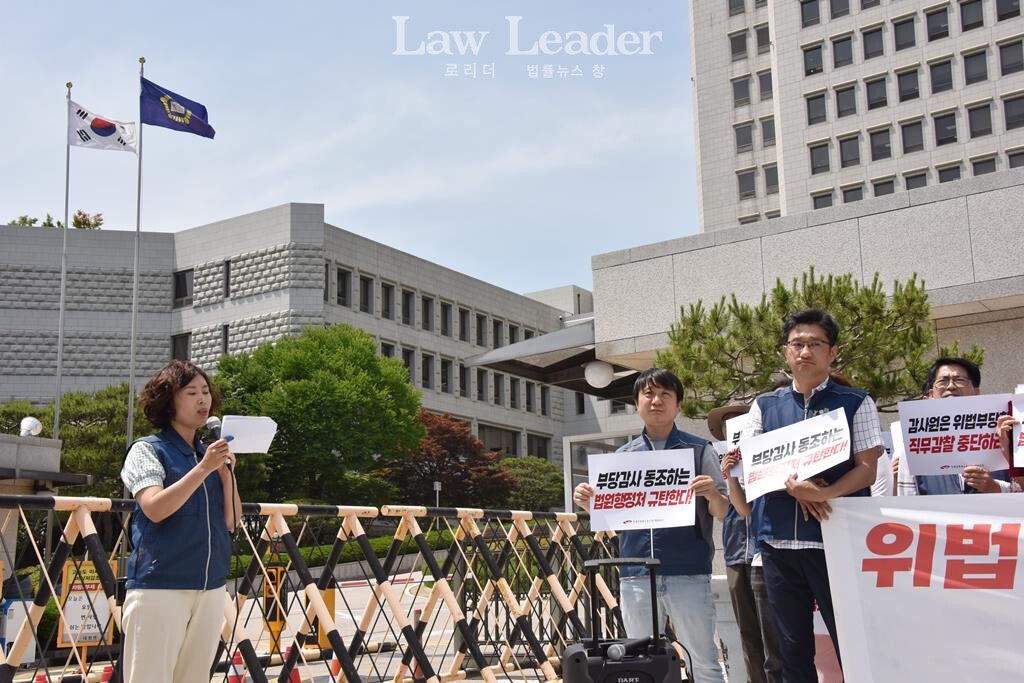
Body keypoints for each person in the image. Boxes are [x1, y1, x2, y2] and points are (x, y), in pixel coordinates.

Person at [729, 309, 882, 683]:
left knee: (852, 639)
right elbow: (751, 465)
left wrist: (825, 492)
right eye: (797, 344)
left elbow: (867, 468)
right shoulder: (765, 405)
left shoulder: (856, 401)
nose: (805, 352)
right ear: (785, 352)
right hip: (778, 543)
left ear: (833, 352)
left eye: (815, 344)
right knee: (792, 649)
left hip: (834, 540)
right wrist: (788, 485)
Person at [573, 368, 729, 683]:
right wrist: (589, 502)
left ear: (678, 405)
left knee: (704, 662)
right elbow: (614, 520)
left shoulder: (700, 451)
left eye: (665, 395)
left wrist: (712, 492)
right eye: (649, 394)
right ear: (636, 402)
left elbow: (724, 511)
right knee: (640, 664)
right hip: (635, 575)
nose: (656, 401)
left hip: (688, 572)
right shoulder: (621, 457)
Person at [120, 360, 242, 683]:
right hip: (160, 587)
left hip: (210, 588)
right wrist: (203, 469)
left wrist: (227, 476)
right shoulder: (148, 450)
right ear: (168, 401)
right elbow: (154, 508)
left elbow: (232, 521)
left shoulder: (208, 455)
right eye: (191, 392)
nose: (203, 400)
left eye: (206, 392)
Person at [709, 403, 781, 683]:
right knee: (748, 633)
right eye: (727, 426)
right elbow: (720, 509)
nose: (734, 428)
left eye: (739, 422)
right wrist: (728, 478)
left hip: (767, 551)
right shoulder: (713, 457)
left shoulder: (767, 448)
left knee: (775, 633)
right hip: (737, 552)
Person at [895, 357, 1014, 495]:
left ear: (976, 392)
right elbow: (908, 504)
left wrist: (994, 487)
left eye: (960, 380)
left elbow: (1020, 490)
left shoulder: (1005, 435)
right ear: (931, 394)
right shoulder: (913, 447)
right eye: (942, 381)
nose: (951, 386)